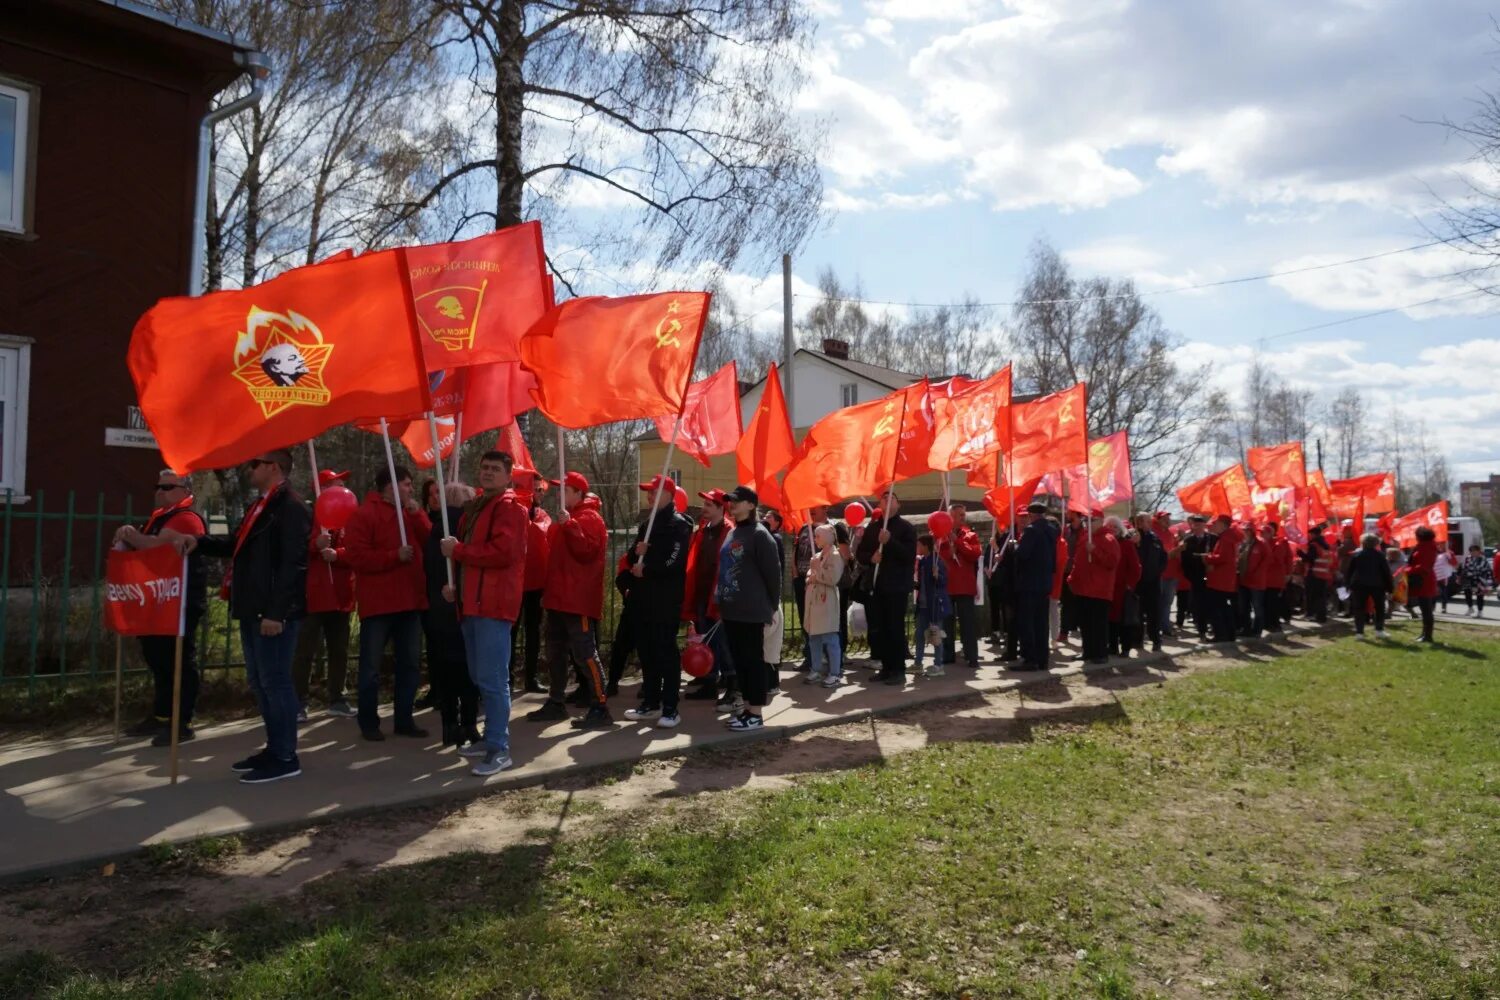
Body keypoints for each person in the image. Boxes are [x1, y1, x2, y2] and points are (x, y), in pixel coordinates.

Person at [178, 449, 310, 784]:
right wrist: (200, 542)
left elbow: (293, 564)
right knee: (260, 681)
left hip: (273, 613)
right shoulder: (260, 506)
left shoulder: (290, 508)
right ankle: (274, 746)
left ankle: (285, 756)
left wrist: (276, 612)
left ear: (274, 467)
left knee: (276, 681)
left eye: (256, 463)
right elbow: (238, 543)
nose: (249, 467)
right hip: (253, 608)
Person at [441, 450, 529, 776]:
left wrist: (459, 551)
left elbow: (502, 553)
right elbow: (470, 558)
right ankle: (491, 739)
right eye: (484, 467)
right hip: (473, 604)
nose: (488, 473)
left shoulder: (510, 509)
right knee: (481, 676)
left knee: (492, 680)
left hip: (493, 606)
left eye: (495, 469)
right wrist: (455, 586)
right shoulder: (478, 508)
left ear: (508, 475)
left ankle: (498, 747)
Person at [113, 469, 208, 746]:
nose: (160, 491)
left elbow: (157, 547)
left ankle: (182, 721)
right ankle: (162, 715)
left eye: (167, 487)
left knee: (177, 660)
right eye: (158, 486)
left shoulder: (187, 518)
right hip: (155, 599)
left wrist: (133, 536)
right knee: (157, 659)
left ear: (185, 491)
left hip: (181, 602)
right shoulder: (158, 518)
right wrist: (125, 540)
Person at [339, 464, 431, 741]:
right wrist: (393, 556)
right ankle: (369, 722)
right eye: (406, 484)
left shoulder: (410, 513)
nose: (411, 489)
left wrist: (417, 515)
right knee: (370, 668)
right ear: (390, 487)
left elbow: (430, 539)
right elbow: (357, 557)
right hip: (379, 605)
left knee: (410, 665)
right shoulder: (364, 515)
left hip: (409, 602)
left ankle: (404, 719)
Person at [535, 470, 614, 728]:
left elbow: (586, 552)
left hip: (577, 599)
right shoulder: (567, 519)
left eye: (565, 490)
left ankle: (600, 706)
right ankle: (556, 702)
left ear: (579, 493)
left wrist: (569, 525)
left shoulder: (590, 518)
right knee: (555, 652)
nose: (560, 494)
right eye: (559, 489)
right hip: (558, 598)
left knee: (585, 653)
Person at [621, 476, 694, 724]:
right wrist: (636, 553)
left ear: (669, 495)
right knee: (647, 651)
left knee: (665, 652)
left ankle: (671, 707)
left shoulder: (679, 526)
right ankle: (650, 702)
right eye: (648, 492)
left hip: (665, 600)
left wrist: (648, 568)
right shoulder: (646, 525)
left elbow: (675, 562)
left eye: (654, 492)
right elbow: (632, 558)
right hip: (643, 599)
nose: (650, 496)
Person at [716, 485, 783, 729]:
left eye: (737, 500)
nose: (731, 504)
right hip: (731, 610)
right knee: (740, 661)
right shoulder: (734, 533)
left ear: (751, 505)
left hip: (752, 612)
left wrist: (772, 607)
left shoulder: (759, 535)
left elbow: (773, 575)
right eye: (730, 500)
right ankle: (746, 709)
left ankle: (755, 713)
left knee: (753, 661)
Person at [294, 470, 357, 722]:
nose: (341, 486)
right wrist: (314, 546)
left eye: (341, 482)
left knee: (339, 649)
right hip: (314, 594)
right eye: (334, 483)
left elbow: (357, 550)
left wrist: (338, 554)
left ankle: (337, 698)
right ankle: (298, 700)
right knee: (304, 650)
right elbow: (293, 551)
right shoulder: (306, 516)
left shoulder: (350, 517)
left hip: (341, 593)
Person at [423, 482, 479, 748]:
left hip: (438, 609)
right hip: (462, 606)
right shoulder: (467, 528)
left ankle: (449, 724)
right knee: (468, 670)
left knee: (446, 671)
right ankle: (469, 723)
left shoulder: (435, 531)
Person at [854, 489, 918, 685]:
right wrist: (871, 557)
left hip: (897, 586)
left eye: (892, 499)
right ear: (879, 505)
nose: (888, 501)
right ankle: (886, 667)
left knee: (894, 628)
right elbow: (860, 554)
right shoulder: (873, 528)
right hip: (877, 586)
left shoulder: (906, 528)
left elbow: (908, 556)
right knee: (880, 629)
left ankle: (898, 669)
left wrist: (890, 542)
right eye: (884, 499)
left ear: (898, 505)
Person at [682, 489, 733, 705]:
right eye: (704, 504)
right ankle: (709, 682)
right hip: (702, 594)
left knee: (724, 642)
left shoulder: (730, 531)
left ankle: (732, 685)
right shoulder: (703, 530)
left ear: (722, 508)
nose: (704, 508)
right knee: (706, 641)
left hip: (719, 596)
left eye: (709, 505)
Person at [512, 469, 551, 696]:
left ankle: (531, 677)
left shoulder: (543, 515)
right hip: (515, 583)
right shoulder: (512, 513)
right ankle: (506, 677)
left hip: (536, 584)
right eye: (533, 489)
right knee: (510, 632)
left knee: (533, 632)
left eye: (540, 489)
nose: (538, 493)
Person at [1067, 513, 1119, 665]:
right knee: (1085, 623)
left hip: (1099, 589)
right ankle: (1088, 651)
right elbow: (1078, 561)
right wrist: (1072, 578)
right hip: (1083, 588)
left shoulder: (1109, 539)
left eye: (1092, 521)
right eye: (1086, 521)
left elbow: (1112, 562)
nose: (1088, 524)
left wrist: (1095, 551)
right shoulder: (1084, 537)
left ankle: (1101, 653)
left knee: (1098, 624)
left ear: (1101, 521)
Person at [938, 501, 983, 669]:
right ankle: (948, 655)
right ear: (951, 517)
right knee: (947, 624)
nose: (963, 518)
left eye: (964, 514)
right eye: (959, 515)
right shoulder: (942, 536)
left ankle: (972, 656)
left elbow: (975, 554)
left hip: (965, 586)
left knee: (968, 624)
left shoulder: (970, 535)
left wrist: (957, 542)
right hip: (948, 586)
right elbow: (941, 557)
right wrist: (949, 549)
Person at [1014, 501, 1058, 670]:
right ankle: (1042, 659)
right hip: (1045, 582)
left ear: (1031, 515)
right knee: (1041, 622)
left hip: (1029, 582)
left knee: (1028, 622)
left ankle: (1030, 659)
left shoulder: (1031, 531)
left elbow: (1023, 554)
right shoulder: (1051, 530)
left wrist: (1015, 546)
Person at [803, 523, 844, 688]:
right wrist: (811, 575)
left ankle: (834, 673)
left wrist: (817, 570)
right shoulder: (817, 555)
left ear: (827, 537)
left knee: (830, 638)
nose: (815, 538)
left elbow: (832, 578)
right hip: (814, 601)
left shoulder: (835, 555)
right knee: (814, 638)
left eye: (818, 535)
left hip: (826, 602)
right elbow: (810, 575)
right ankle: (816, 669)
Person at [913, 533, 951, 678]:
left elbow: (943, 582)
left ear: (925, 546)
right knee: (920, 634)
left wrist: (938, 576)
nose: (917, 548)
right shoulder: (922, 561)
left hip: (934, 604)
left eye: (919, 545)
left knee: (936, 635)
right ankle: (918, 662)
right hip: (923, 604)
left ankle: (938, 664)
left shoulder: (937, 561)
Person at [1203, 515, 1243, 643]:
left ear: (1222, 524)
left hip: (1220, 579)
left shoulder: (1226, 538)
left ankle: (1220, 634)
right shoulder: (1229, 537)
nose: (1214, 526)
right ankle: (1229, 634)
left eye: (1216, 523)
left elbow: (1222, 557)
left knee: (1216, 608)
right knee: (1225, 608)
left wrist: (1208, 558)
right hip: (1225, 579)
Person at [1347, 532, 1394, 639]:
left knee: (1359, 608)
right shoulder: (1380, 555)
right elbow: (1386, 573)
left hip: (1359, 585)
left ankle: (1359, 632)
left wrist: (1348, 584)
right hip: (1377, 585)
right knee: (1379, 607)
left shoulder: (1357, 555)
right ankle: (1379, 630)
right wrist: (1390, 588)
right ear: (1376, 543)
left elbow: (1350, 572)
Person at [1106, 517, 1142, 657]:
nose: (1112, 529)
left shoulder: (1127, 545)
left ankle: (1125, 648)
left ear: (1120, 529)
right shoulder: (1106, 543)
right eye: (1109, 526)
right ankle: (1112, 646)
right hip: (1108, 588)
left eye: (1115, 527)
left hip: (1123, 589)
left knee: (1124, 620)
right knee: (1111, 620)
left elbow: (1136, 568)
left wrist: (1129, 585)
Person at [1134, 513, 1166, 652]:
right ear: (1139, 523)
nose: (1149, 524)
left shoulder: (1155, 539)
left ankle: (1155, 640)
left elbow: (1163, 558)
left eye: (1149, 521)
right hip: (1138, 581)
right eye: (1145, 521)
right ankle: (1138, 641)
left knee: (1154, 613)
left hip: (1153, 582)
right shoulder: (1133, 537)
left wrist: (1158, 571)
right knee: (1137, 613)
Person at [1177, 515, 1214, 639]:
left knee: (1211, 602)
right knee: (1199, 604)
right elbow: (1185, 560)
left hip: (1211, 576)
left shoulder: (1212, 539)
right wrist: (1191, 576)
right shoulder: (1188, 540)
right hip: (1196, 576)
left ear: (1204, 526)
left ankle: (1212, 626)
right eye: (1195, 525)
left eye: (1200, 525)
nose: (1197, 527)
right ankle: (1202, 629)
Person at [1408, 527, 1440, 643]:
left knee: (1426, 610)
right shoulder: (1426, 546)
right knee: (1425, 609)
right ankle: (1425, 634)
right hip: (1424, 580)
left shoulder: (1426, 548)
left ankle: (1427, 635)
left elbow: (1423, 567)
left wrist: (1408, 570)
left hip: (1424, 581)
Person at [1240, 521, 1271, 638]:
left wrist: (1256, 573)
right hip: (1244, 580)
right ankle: (1246, 629)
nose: (1245, 532)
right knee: (1244, 607)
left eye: (1247, 530)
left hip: (1257, 582)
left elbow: (1267, 560)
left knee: (1257, 607)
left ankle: (1257, 630)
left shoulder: (1262, 544)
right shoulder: (1243, 544)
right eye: (1244, 530)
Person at [1263, 523, 1293, 633]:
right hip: (1266, 579)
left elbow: (1277, 559)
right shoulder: (1266, 543)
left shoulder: (1279, 544)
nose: (1262, 535)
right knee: (1267, 602)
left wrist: (1288, 573)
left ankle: (1274, 624)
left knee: (1273, 602)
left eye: (1264, 533)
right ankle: (1268, 623)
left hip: (1275, 579)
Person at [1303, 525, 1334, 623]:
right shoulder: (1325, 545)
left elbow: (1310, 559)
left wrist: (1300, 553)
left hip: (1314, 573)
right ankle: (1321, 616)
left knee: (1312, 596)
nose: (1309, 536)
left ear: (1313, 534)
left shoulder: (1313, 545)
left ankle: (1311, 614)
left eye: (1310, 534)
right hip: (1324, 573)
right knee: (1321, 596)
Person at [1461, 544, 1494, 617]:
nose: (1473, 552)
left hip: (1480, 580)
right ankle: (1470, 608)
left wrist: (1488, 584)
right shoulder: (1468, 558)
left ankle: (1480, 611)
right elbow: (1465, 568)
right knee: (1467, 593)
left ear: (1479, 551)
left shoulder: (1483, 559)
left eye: (1474, 551)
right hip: (1469, 579)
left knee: (1480, 596)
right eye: (1471, 551)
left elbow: (1487, 571)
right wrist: (1461, 576)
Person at [1435, 541, 1460, 614]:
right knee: (1433, 592)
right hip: (1434, 575)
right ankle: (1432, 607)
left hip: (1443, 576)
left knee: (1443, 592)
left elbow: (1455, 564)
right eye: (1439, 544)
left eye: (1442, 544)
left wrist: (1448, 557)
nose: (1440, 546)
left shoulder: (1449, 553)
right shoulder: (1434, 553)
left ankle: (1443, 607)